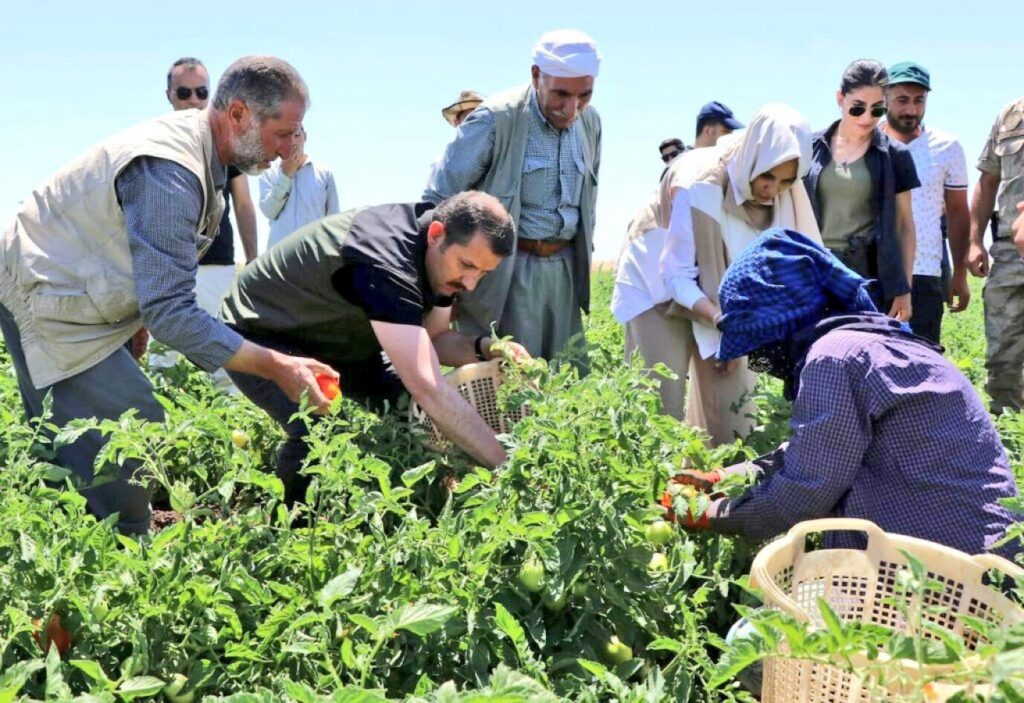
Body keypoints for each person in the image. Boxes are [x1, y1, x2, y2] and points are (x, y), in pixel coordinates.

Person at [0, 56, 338, 534]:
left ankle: (61, 538)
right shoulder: (171, 171)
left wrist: (133, 321)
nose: (288, 151)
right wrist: (279, 367)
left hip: (73, 281)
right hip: (45, 284)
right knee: (131, 428)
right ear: (238, 113)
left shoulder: (209, 161)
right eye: (283, 133)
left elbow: (149, 262)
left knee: (70, 444)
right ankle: (121, 558)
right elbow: (172, 313)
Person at [673, 229, 1021, 560]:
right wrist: (723, 478)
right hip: (991, 556)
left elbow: (805, 490)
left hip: (943, 571)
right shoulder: (879, 339)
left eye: (763, 337)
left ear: (782, 321)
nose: (764, 353)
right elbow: (816, 451)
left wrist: (709, 515)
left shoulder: (834, 355)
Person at [221, 192, 528, 504]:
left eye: (483, 273)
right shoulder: (385, 260)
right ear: (437, 234)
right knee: (317, 421)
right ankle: (292, 527)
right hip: (263, 331)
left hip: (338, 339)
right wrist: (509, 466)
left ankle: (421, 503)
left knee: (408, 408)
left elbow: (435, 340)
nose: (471, 283)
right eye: (466, 265)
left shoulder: (440, 262)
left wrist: (487, 348)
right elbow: (429, 387)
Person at [613, 104, 820, 445]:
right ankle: (653, 492)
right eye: (767, 177)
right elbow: (677, 274)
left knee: (736, 417)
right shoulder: (701, 183)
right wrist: (723, 325)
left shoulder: (786, 199)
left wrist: (733, 335)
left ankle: (707, 487)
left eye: (785, 181)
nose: (772, 190)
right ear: (754, 157)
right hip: (657, 286)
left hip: (716, 300)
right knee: (660, 405)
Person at [424, 29, 602, 363]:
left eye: (584, 96)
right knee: (508, 380)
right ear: (536, 76)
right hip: (506, 273)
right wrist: (444, 283)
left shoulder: (591, 122)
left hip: (564, 272)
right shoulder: (495, 119)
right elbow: (438, 199)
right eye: (561, 94)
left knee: (566, 383)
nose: (571, 109)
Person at [804, 59, 919, 322]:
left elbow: (905, 226)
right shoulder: (808, 148)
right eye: (857, 109)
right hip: (813, 273)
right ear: (840, 99)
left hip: (867, 278)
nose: (867, 118)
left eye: (877, 110)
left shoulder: (895, 155)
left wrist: (904, 290)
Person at [880, 62, 971, 343]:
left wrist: (959, 274)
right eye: (902, 100)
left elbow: (957, 212)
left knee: (921, 367)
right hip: (874, 270)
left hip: (925, 273)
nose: (911, 110)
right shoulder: (869, 143)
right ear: (885, 98)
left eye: (919, 101)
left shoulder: (947, 146)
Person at [166, 57, 258, 306]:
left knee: (222, 342)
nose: (194, 100)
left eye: (202, 92)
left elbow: (243, 204)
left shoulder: (227, 143)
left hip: (217, 267)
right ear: (169, 96)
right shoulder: (158, 146)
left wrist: (252, 260)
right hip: (170, 269)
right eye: (184, 93)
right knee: (167, 346)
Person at [967, 96, 1024, 414]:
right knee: (1002, 354)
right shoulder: (1010, 115)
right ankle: (1008, 433)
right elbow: (988, 181)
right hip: (1008, 254)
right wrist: (975, 240)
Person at [260, 125, 340, 250]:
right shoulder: (269, 172)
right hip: (279, 258)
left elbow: (333, 221)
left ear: (305, 137)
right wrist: (285, 176)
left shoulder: (324, 173)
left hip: (313, 256)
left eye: (297, 135)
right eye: (286, 137)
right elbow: (269, 211)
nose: (292, 142)